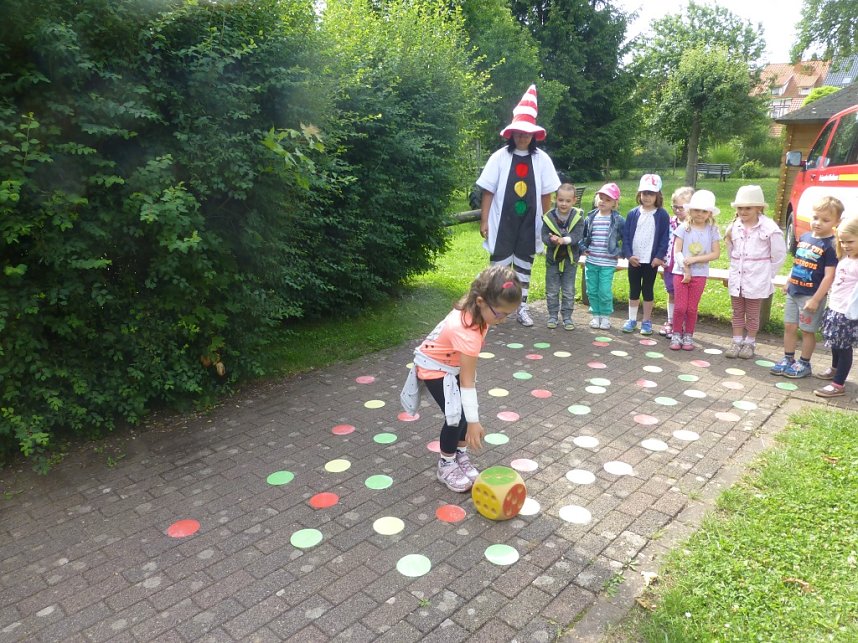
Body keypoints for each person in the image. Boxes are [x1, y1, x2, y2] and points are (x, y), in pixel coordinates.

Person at [400, 265, 522, 492]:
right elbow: (467, 383)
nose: (504, 320)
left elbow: (467, 376)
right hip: (434, 368)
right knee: (456, 417)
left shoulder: (480, 314)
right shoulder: (466, 331)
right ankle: (446, 465)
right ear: (481, 301)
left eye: (509, 314)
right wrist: (474, 422)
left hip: (452, 365)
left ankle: (460, 455)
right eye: (501, 314)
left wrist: (472, 419)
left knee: (464, 414)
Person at [477, 85, 561, 327]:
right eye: (519, 133)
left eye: (526, 134)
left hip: (529, 223)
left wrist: (546, 222)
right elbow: (488, 191)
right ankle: (494, 308)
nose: (522, 137)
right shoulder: (499, 157)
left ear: (533, 135)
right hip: (503, 222)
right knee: (499, 267)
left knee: (524, 265)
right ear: (512, 134)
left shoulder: (542, 159)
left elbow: (546, 193)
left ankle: (521, 307)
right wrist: (484, 220)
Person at [771, 196, 843, 378]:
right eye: (815, 217)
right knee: (789, 326)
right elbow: (798, 262)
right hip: (794, 292)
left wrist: (816, 299)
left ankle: (804, 363)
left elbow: (829, 276)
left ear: (837, 222)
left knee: (807, 330)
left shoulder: (832, 245)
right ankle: (788, 358)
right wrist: (789, 280)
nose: (818, 223)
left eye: (825, 220)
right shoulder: (804, 237)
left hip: (811, 296)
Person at [724, 185, 787, 359]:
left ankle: (750, 342)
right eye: (740, 208)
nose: (743, 212)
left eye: (748, 208)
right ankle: (736, 340)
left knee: (752, 313)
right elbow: (731, 251)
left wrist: (768, 274)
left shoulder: (769, 228)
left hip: (757, 278)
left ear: (758, 208)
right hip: (738, 277)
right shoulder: (734, 226)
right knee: (737, 310)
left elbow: (779, 254)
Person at [669, 190, 721, 351]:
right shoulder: (684, 228)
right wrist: (685, 269)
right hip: (680, 273)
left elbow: (715, 253)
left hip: (700, 274)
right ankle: (676, 333)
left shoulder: (712, 230)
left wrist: (695, 260)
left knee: (691, 308)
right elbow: (677, 251)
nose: (700, 214)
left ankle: (688, 335)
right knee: (680, 307)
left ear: (709, 213)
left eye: (704, 211)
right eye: (696, 210)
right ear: (690, 210)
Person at [814, 215, 858, 398]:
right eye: (842, 241)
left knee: (844, 347)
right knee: (834, 342)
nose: (845, 245)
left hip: (848, 313)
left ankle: (838, 384)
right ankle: (834, 368)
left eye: (850, 241)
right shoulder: (845, 258)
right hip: (835, 307)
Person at [621, 174, 671, 335]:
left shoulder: (662, 215)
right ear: (639, 194)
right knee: (634, 289)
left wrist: (659, 257)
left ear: (658, 195)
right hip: (634, 260)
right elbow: (626, 236)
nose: (647, 197)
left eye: (651, 193)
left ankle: (647, 321)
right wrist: (629, 255)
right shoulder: (633, 213)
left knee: (647, 290)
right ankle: (631, 319)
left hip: (651, 261)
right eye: (644, 193)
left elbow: (665, 238)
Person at [580, 183, 624, 330]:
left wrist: (620, 252)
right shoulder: (590, 217)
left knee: (604, 291)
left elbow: (627, 238)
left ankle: (605, 316)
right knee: (591, 290)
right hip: (591, 261)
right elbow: (582, 236)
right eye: (601, 198)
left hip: (607, 263)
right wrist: (583, 248)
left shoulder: (617, 220)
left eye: (607, 199)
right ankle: (595, 315)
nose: (603, 201)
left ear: (614, 203)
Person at [542, 183, 585, 330]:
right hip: (553, 260)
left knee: (568, 290)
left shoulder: (578, 217)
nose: (564, 204)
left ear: (574, 200)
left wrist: (564, 240)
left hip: (570, 260)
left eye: (567, 201)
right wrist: (551, 240)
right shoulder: (549, 217)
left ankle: (567, 317)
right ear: (556, 199)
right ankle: (552, 316)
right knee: (552, 289)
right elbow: (544, 235)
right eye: (561, 200)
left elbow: (578, 235)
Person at [660, 187, 695, 337]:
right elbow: (663, 240)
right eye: (675, 207)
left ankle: (682, 324)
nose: (678, 210)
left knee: (684, 296)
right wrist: (661, 256)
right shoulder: (669, 222)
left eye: (682, 207)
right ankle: (671, 321)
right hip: (670, 264)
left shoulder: (693, 225)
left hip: (686, 266)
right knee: (671, 293)